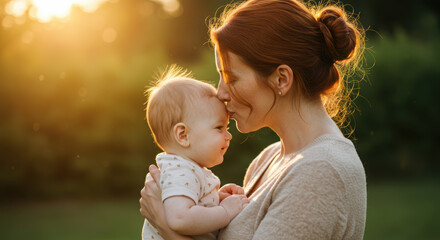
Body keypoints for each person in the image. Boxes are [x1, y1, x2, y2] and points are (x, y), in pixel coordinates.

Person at [140, 0, 367, 239]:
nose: (221, 93)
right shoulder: (268, 159)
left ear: (281, 79)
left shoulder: (322, 171)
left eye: (231, 78)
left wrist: (166, 226)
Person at [142, 69, 249, 240]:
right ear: (183, 135)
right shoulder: (179, 172)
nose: (228, 136)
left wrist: (217, 197)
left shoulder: (186, 169)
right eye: (219, 127)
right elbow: (180, 218)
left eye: (226, 128)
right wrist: (225, 211)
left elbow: (192, 204)